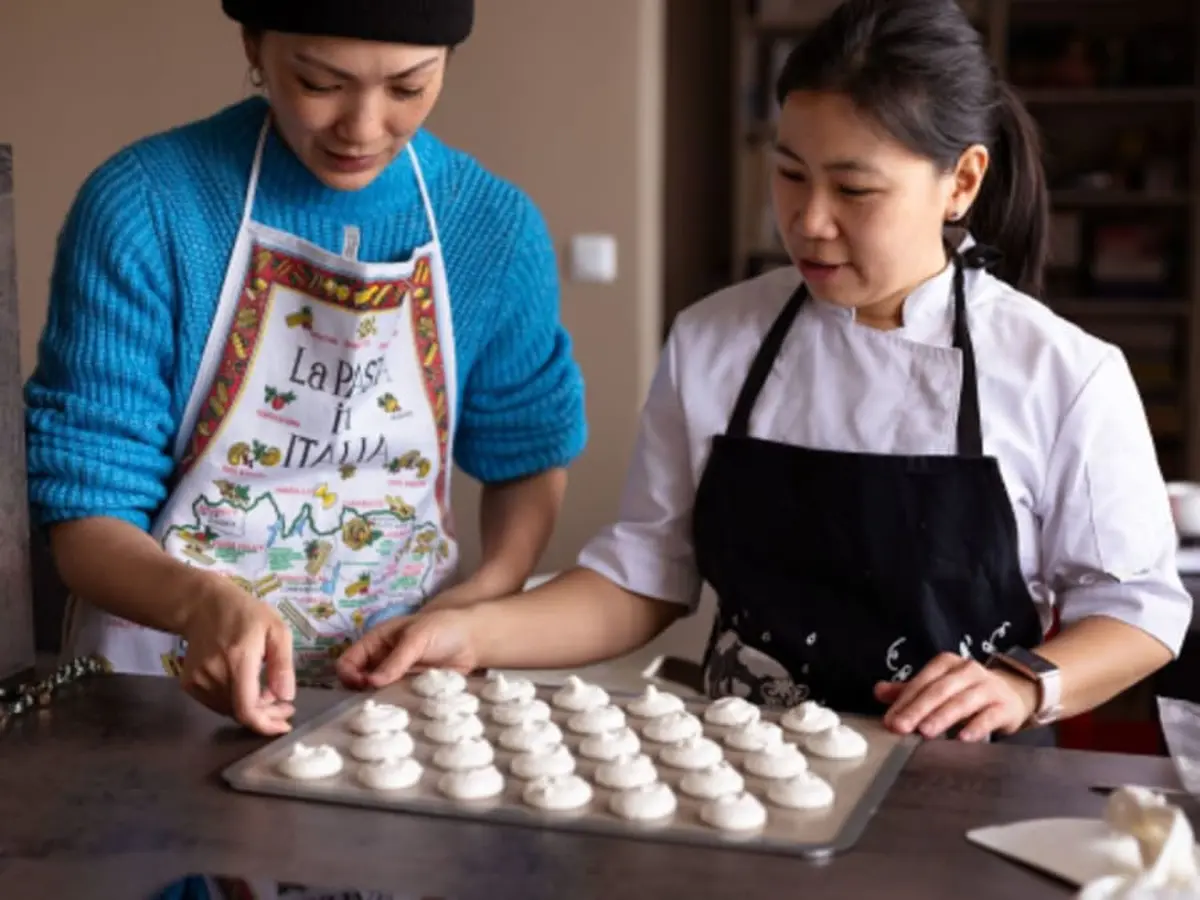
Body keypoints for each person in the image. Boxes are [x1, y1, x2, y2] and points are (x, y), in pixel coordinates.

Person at [337, 0, 1193, 745]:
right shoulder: (716, 339)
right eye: (788, 175)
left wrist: (1020, 682)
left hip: (961, 788)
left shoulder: (1061, 372)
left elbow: (1140, 611)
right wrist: (473, 634)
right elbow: (642, 580)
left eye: (854, 191)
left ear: (962, 181)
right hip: (745, 779)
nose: (809, 221)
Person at [25, 0, 586, 735]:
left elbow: (527, 454)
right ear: (254, 44)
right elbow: (84, 503)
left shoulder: (493, 227)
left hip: (395, 699)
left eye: (408, 88)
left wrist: (485, 595)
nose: (362, 127)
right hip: (157, 683)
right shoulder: (146, 207)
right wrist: (199, 607)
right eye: (320, 83)